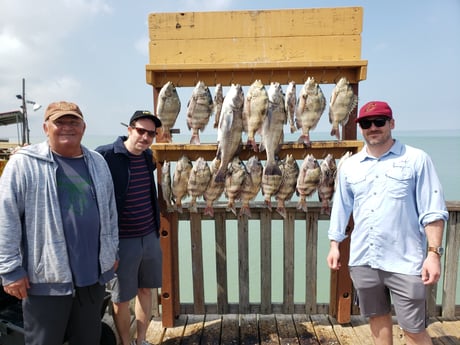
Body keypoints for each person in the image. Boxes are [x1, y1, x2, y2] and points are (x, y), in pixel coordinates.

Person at [327, 101, 448, 345]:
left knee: (414, 330)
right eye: (366, 123)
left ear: (391, 124)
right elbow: (341, 207)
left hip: (405, 262)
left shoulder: (416, 159)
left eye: (379, 121)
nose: (373, 127)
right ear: (360, 127)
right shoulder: (349, 166)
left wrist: (434, 254)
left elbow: (433, 210)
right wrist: (334, 244)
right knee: (377, 321)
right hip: (364, 259)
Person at [0, 101, 119, 345]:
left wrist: (112, 250)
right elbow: (6, 216)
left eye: (73, 122)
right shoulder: (23, 163)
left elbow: (110, 211)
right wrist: (10, 269)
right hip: (44, 283)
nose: (67, 127)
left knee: (89, 340)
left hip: (92, 280)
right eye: (59, 122)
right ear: (46, 127)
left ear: (83, 127)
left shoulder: (97, 162)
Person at [96, 110, 162, 345]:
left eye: (151, 134)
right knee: (121, 297)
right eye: (141, 131)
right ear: (129, 129)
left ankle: (141, 340)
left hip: (150, 235)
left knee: (146, 290)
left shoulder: (147, 157)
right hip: (122, 241)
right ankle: (126, 342)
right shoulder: (103, 155)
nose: (145, 137)